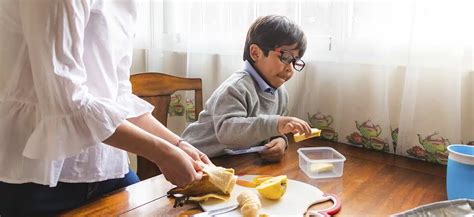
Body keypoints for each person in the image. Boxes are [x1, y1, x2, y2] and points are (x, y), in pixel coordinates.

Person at [0, 1, 211, 215]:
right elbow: (69, 103)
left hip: (105, 168)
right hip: (41, 176)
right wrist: (163, 153)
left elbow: (119, 98)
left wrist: (178, 144)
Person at [181, 15, 312, 162]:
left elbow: (266, 131)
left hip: (236, 161)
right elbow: (228, 133)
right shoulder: (235, 88)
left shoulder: (281, 94)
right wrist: (277, 123)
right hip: (194, 158)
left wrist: (280, 140)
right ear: (255, 53)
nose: (290, 69)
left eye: (295, 61)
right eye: (286, 57)